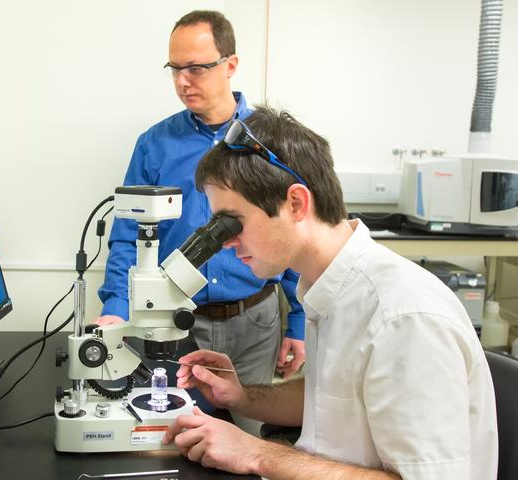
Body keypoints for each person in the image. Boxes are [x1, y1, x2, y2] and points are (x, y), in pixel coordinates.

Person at [162, 105, 498, 479]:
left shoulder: (402, 318)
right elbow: (328, 401)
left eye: (233, 222)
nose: (226, 244)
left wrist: (257, 453)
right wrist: (241, 397)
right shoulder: (329, 288)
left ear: (295, 203)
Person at [96, 11, 306, 432]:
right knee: (179, 441)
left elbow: (293, 233)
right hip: (174, 326)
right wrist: (116, 310)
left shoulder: (271, 141)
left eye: (196, 67)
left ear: (230, 64)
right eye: (175, 69)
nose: (183, 81)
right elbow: (125, 237)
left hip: (255, 324)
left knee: (250, 442)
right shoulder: (154, 145)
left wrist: (297, 321)